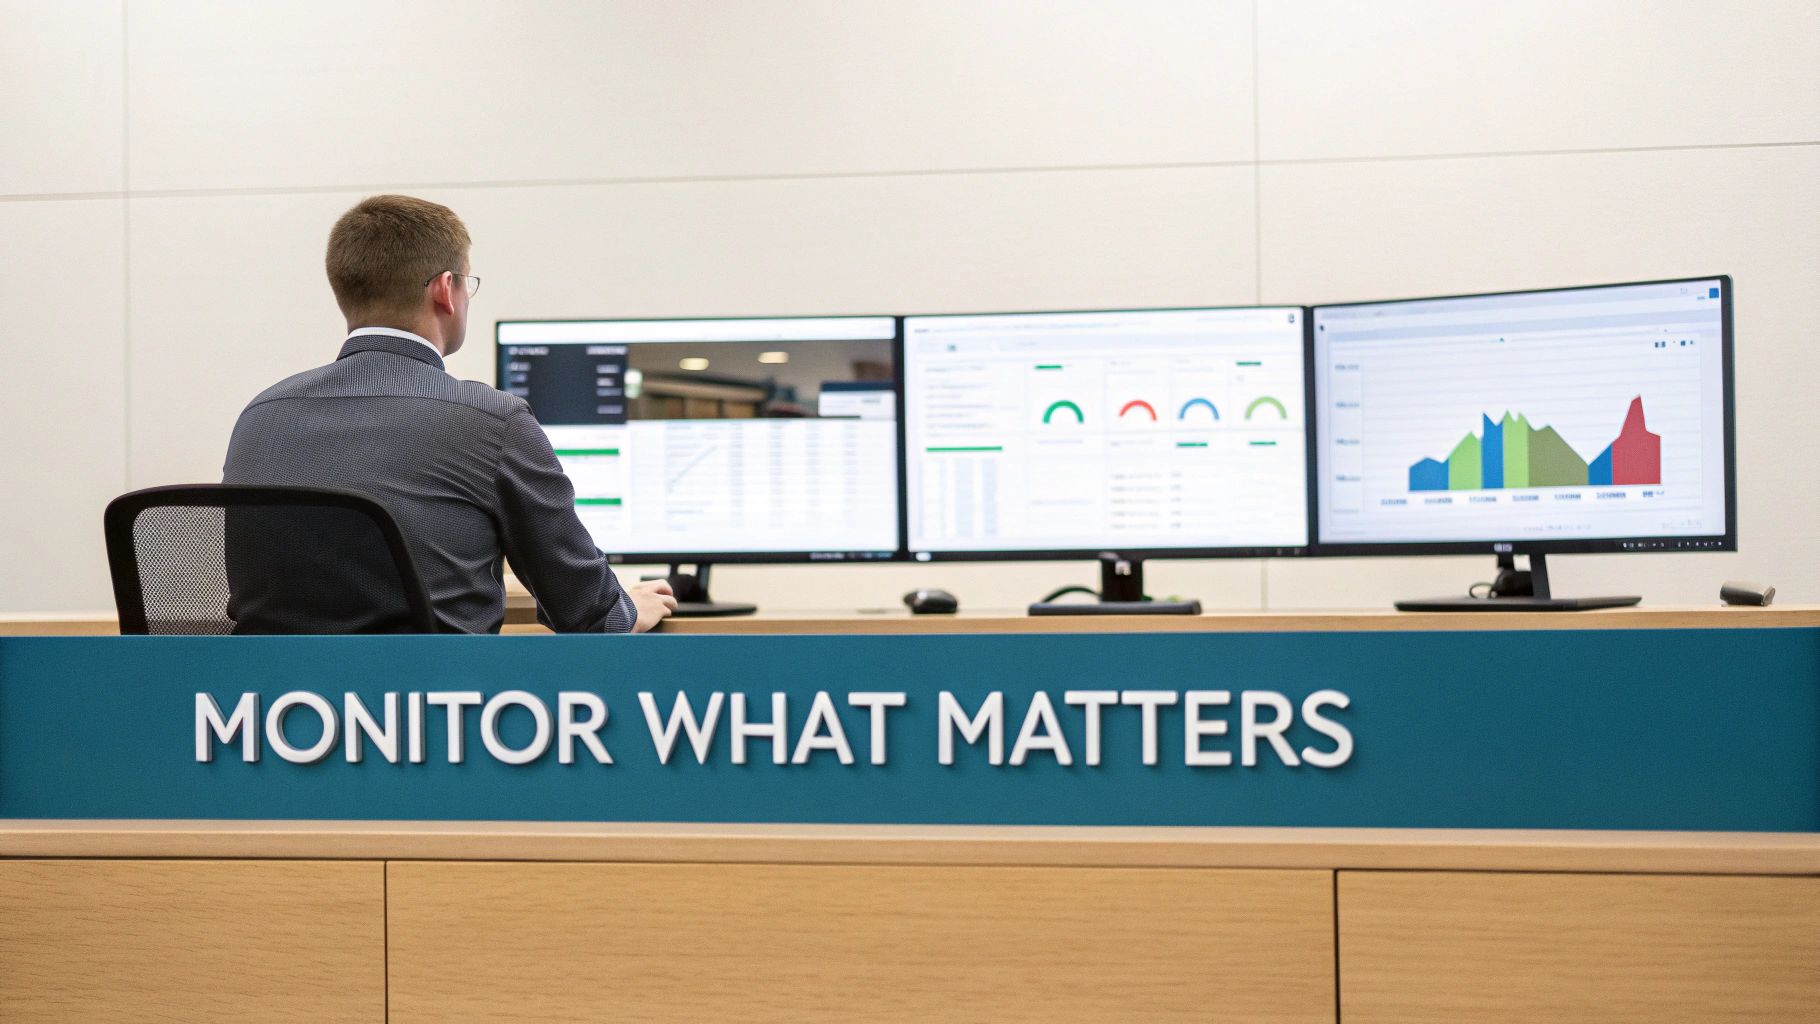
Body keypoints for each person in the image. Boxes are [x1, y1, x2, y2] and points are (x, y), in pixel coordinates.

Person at [222, 194, 675, 633]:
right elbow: (587, 614)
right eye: (466, 283)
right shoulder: (492, 421)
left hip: (269, 704)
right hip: (432, 704)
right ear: (446, 289)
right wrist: (626, 608)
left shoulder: (261, 416)